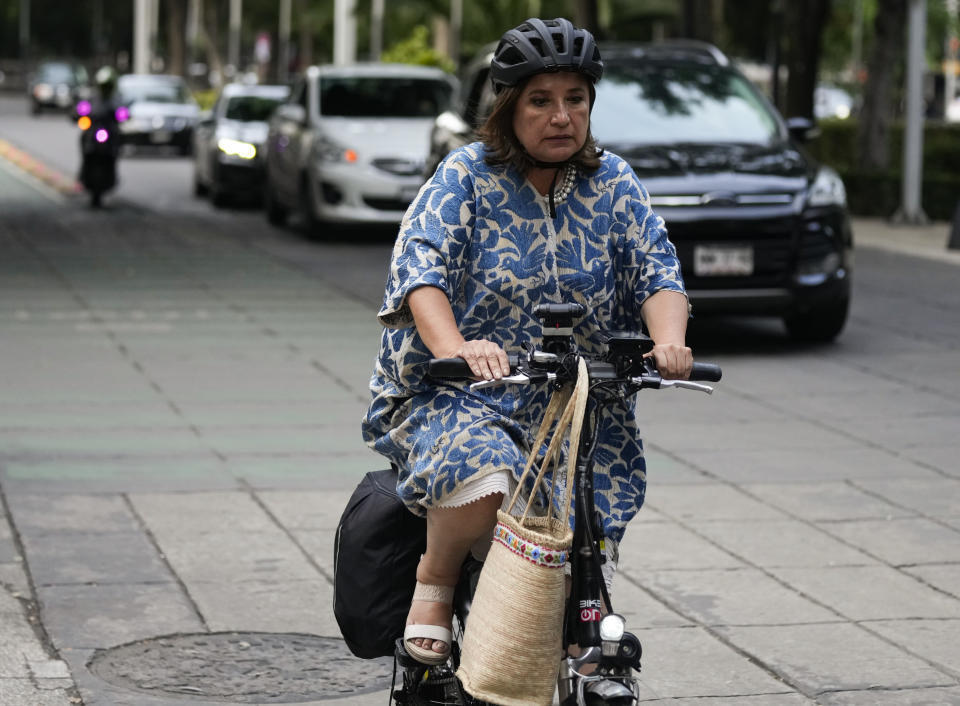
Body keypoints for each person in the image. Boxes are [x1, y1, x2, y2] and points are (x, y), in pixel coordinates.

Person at [361, 17, 692, 666]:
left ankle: (574, 622)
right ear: (507, 108)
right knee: (486, 471)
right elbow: (420, 272)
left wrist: (669, 341)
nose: (562, 116)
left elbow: (657, 271)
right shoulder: (468, 177)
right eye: (541, 100)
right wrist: (456, 346)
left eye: (576, 99)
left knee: (583, 533)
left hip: (575, 402)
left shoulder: (614, 183)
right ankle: (436, 579)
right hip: (464, 394)